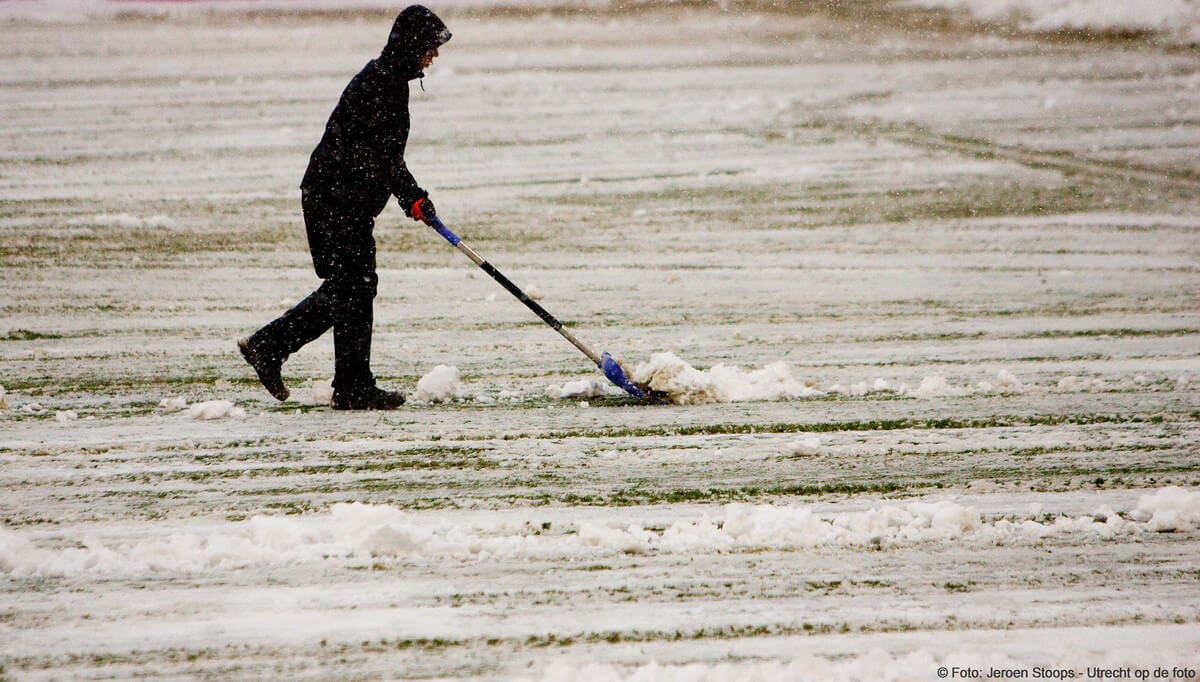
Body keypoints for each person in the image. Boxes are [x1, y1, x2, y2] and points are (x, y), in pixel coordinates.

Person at [238, 5, 451, 410]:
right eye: (430, 46)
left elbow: (382, 155)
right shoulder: (380, 85)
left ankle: (344, 379)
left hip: (342, 199)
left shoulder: (390, 81)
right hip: (333, 199)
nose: (435, 55)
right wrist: (412, 196)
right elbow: (377, 156)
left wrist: (412, 197)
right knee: (351, 287)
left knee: (354, 287)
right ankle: (286, 353)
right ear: (411, 46)